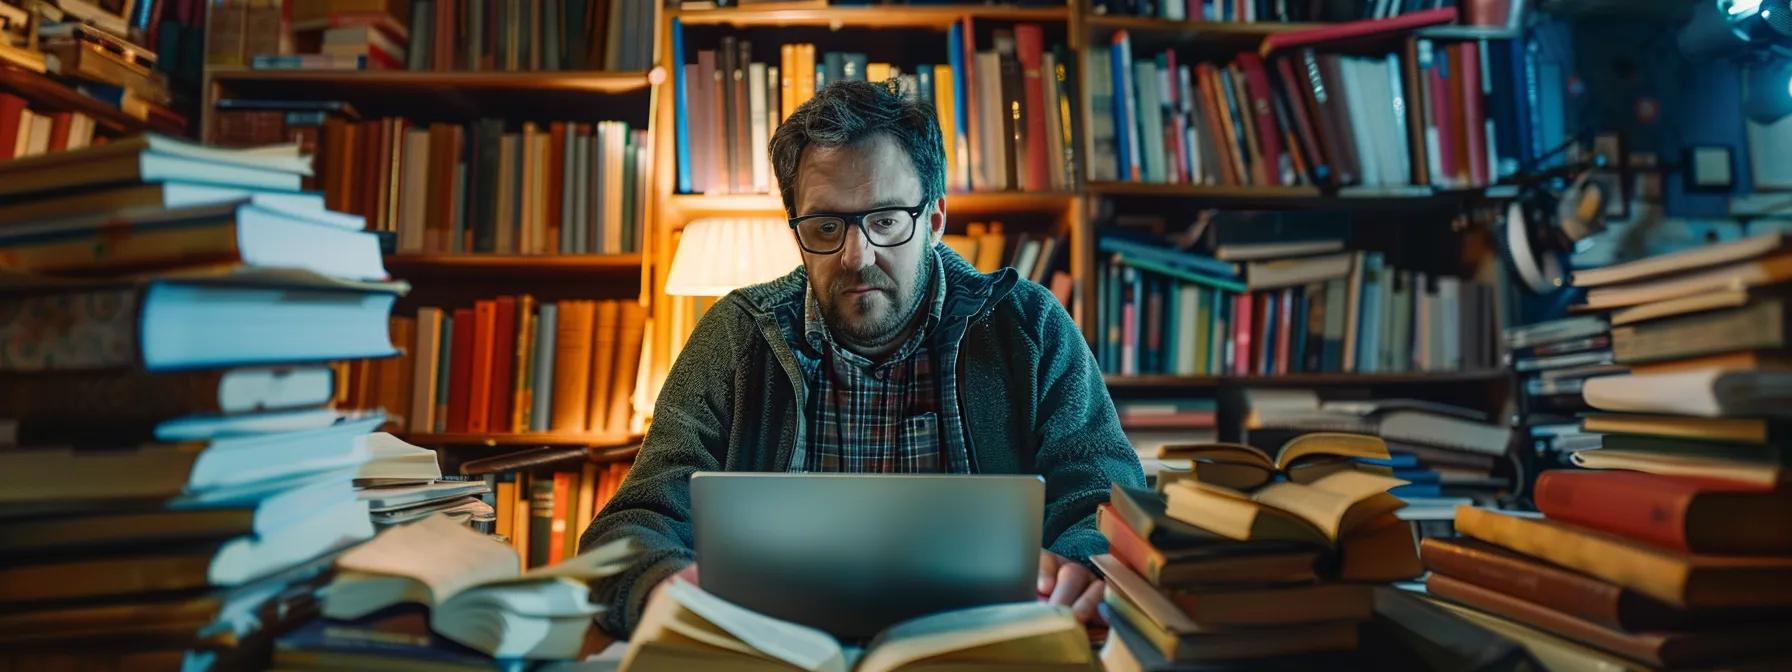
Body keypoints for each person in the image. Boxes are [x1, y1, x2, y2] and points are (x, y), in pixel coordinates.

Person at [580, 79, 1146, 638]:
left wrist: (1083, 567)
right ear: (797, 232)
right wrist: (663, 585)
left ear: (935, 219)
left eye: (885, 221)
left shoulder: (1028, 327)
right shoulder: (735, 336)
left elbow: (1105, 502)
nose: (858, 256)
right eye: (826, 226)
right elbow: (631, 527)